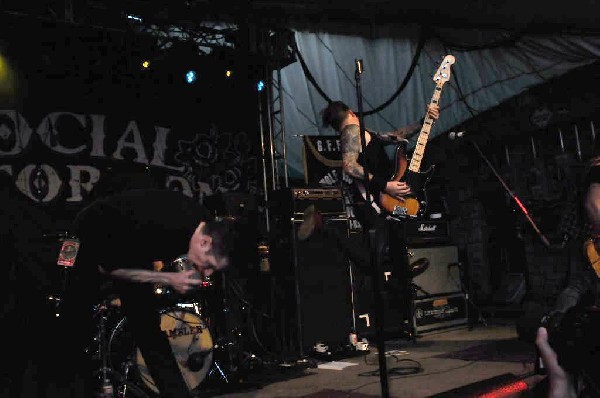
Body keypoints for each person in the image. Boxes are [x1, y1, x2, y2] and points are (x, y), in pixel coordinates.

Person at [57, 187, 238, 398]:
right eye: (208, 265)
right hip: (89, 233)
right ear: (204, 242)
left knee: (147, 325)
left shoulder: (205, 225)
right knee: (76, 319)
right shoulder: (163, 227)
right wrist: (169, 278)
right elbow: (110, 269)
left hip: (130, 240)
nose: (207, 273)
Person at [299, 100, 439, 337]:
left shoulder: (364, 133)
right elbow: (349, 166)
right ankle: (328, 228)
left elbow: (395, 136)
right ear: (351, 113)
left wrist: (424, 121)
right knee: (373, 260)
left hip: (386, 204)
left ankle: (402, 288)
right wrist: (385, 184)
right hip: (374, 205)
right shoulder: (351, 132)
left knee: (394, 246)